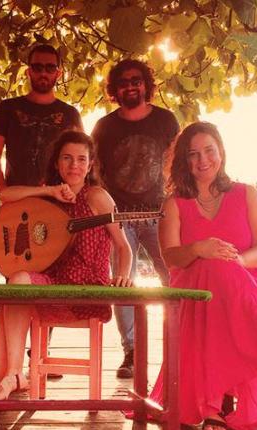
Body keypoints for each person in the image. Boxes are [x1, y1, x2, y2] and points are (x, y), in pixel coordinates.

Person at [0, 130, 133, 403]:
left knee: (11, 294)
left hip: (86, 293)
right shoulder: (49, 196)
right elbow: (6, 194)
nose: (74, 165)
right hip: (53, 285)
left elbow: (123, 247)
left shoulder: (97, 197)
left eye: (81, 159)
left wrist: (123, 276)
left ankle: (8, 378)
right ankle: (13, 374)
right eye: (67, 158)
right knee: (15, 282)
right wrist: (48, 190)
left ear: (90, 165)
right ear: (57, 163)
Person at [148, 121, 257, 429]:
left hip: (243, 284)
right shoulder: (174, 203)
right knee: (212, 268)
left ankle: (215, 402)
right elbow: (170, 257)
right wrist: (198, 248)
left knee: (222, 269)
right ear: (184, 160)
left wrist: (237, 261)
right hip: (194, 289)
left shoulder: (247, 193)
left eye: (209, 151)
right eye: (193, 154)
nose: (203, 160)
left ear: (221, 151)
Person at [91, 59, 179, 378]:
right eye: (124, 82)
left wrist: (178, 205)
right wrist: (101, 209)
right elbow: (94, 169)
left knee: (173, 278)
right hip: (119, 216)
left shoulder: (166, 120)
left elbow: (177, 163)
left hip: (160, 214)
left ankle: (179, 344)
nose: (130, 86)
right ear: (115, 89)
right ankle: (132, 351)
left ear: (146, 85)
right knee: (123, 283)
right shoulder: (104, 126)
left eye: (136, 80)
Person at [0, 43, 83, 192]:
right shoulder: (8, 108)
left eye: (50, 68)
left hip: (59, 200)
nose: (43, 73)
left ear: (58, 73)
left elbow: (81, 159)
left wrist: (74, 196)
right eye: (37, 67)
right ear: (28, 72)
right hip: (18, 199)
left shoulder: (71, 114)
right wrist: (4, 193)